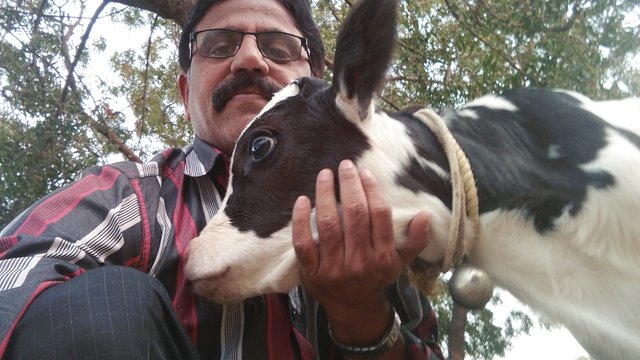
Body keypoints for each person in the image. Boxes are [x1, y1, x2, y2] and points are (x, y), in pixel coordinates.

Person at [0, 0, 444, 358]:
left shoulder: (382, 219)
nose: (250, 59)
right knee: (104, 302)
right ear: (185, 93)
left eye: (279, 48)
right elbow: (13, 274)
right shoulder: (132, 198)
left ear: (320, 89)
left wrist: (362, 318)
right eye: (218, 45)